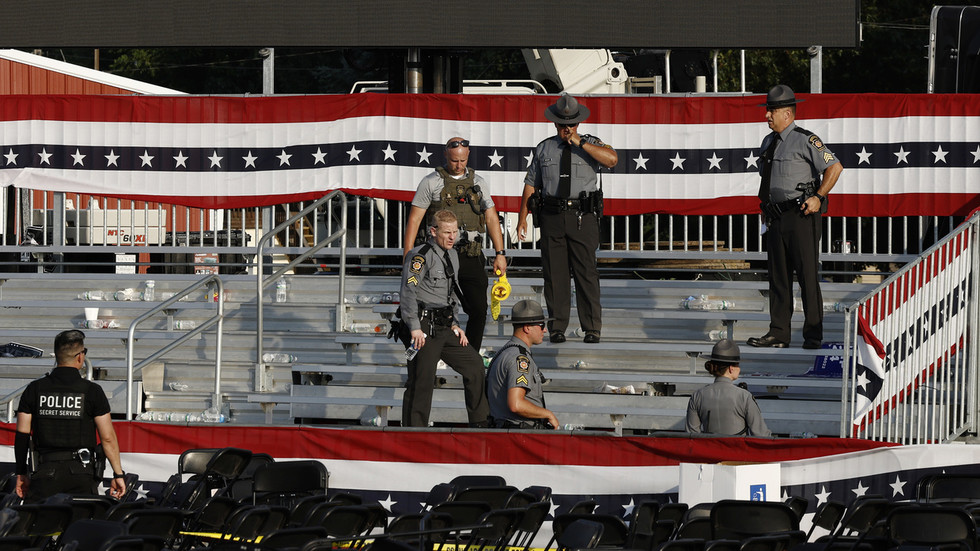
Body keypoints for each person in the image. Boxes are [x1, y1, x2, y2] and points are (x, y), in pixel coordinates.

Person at [748, 84, 843, 350]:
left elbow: (834, 166)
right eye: (767, 110)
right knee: (778, 277)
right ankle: (779, 332)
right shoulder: (768, 142)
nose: (767, 115)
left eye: (771, 111)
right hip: (776, 217)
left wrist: (819, 196)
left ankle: (813, 335)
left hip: (801, 215)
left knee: (807, 276)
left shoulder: (806, 139)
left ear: (787, 114)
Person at [517, 94, 618, 344]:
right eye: (563, 125)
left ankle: (591, 327)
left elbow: (612, 159)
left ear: (578, 124)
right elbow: (531, 185)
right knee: (555, 275)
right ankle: (557, 326)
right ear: (555, 125)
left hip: (582, 217)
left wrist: (580, 143)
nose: (566, 129)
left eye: (571, 125)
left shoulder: (591, 144)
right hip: (552, 215)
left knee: (586, 273)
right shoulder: (544, 148)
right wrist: (522, 218)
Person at [404, 137, 508, 351]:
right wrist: (408, 254)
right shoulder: (431, 182)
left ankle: (470, 355)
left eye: (462, 160)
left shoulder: (479, 183)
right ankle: (436, 351)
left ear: (468, 156)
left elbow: (491, 217)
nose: (458, 165)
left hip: (470, 254)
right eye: (454, 161)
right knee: (437, 307)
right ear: (446, 156)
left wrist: (500, 252)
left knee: (479, 309)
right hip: (438, 256)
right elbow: (414, 219)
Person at [400, 209, 491, 428]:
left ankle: (480, 423)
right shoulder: (419, 256)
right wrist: (413, 327)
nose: (453, 237)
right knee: (421, 380)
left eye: (455, 231)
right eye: (447, 232)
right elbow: (407, 293)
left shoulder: (452, 255)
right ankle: (414, 432)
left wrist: (455, 324)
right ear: (433, 231)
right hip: (423, 326)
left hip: (444, 325)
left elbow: (451, 294)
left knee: (475, 365)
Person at [14, 330, 126, 502]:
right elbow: (108, 438)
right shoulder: (92, 391)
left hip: (44, 475)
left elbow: (22, 436)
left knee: (41, 528)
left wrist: (21, 473)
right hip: (81, 475)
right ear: (80, 357)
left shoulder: (34, 389)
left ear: (57, 356)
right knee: (80, 527)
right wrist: (118, 473)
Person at [486, 299, 559, 430]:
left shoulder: (505, 352)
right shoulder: (520, 359)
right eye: (541, 325)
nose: (545, 330)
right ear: (527, 328)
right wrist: (548, 414)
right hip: (519, 433)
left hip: (508, 430)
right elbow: (516, 404)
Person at [686, 339, 771, 436]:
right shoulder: (744, 396)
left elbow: (691, 436)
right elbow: (761, 435)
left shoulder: (697, 396)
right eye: (738, 365)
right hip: (736, 450)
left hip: (708, 450)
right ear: (731, 368)